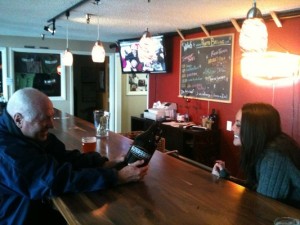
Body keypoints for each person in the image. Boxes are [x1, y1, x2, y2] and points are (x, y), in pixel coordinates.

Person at [0, 88, 148, 225]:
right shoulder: (7, 152)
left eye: (52, 117)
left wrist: (104, 164)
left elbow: (65, 157)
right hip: (18, 217)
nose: (52, 125)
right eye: (45, 119)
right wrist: (117, 177)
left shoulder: (27, 135)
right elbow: (55, 181)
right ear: (19, 120)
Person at [212, 102, 300, 208]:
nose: (233, 128)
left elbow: (264, 208)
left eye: (239, 124)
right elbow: (256, 188)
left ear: (255, 129)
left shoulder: (274, 158)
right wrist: (226, 177)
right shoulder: (265, 148)